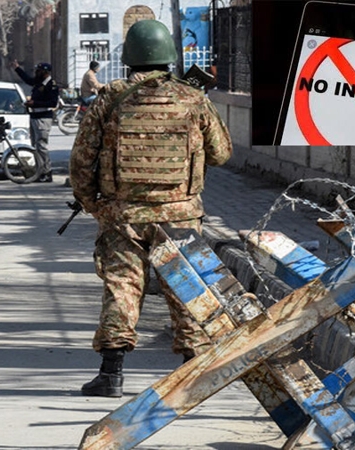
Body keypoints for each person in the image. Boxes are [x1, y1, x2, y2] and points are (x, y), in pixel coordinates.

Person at [69, 19, 233, 398]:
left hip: (123, 215)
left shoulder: (111, 98)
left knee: (122, 286)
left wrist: (93, 203)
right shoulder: (192, 97)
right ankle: (192, 375)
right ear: (169, 56)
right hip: (180, 215)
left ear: (129, 58)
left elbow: (82, 159)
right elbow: (221, 154)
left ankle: (111, 376)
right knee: (185, 287)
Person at [10, 60, 59, 182]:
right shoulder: (39, 82)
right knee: (35, 146)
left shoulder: (51, 85)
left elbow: (53, 103)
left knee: (41, 146)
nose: (37, 72)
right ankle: (39, 171)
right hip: (34, 116)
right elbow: (28, 80)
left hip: (43, 118)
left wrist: (35, 103)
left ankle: (47, 172)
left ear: (46, 72)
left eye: (39, 71)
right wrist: (17, 68)